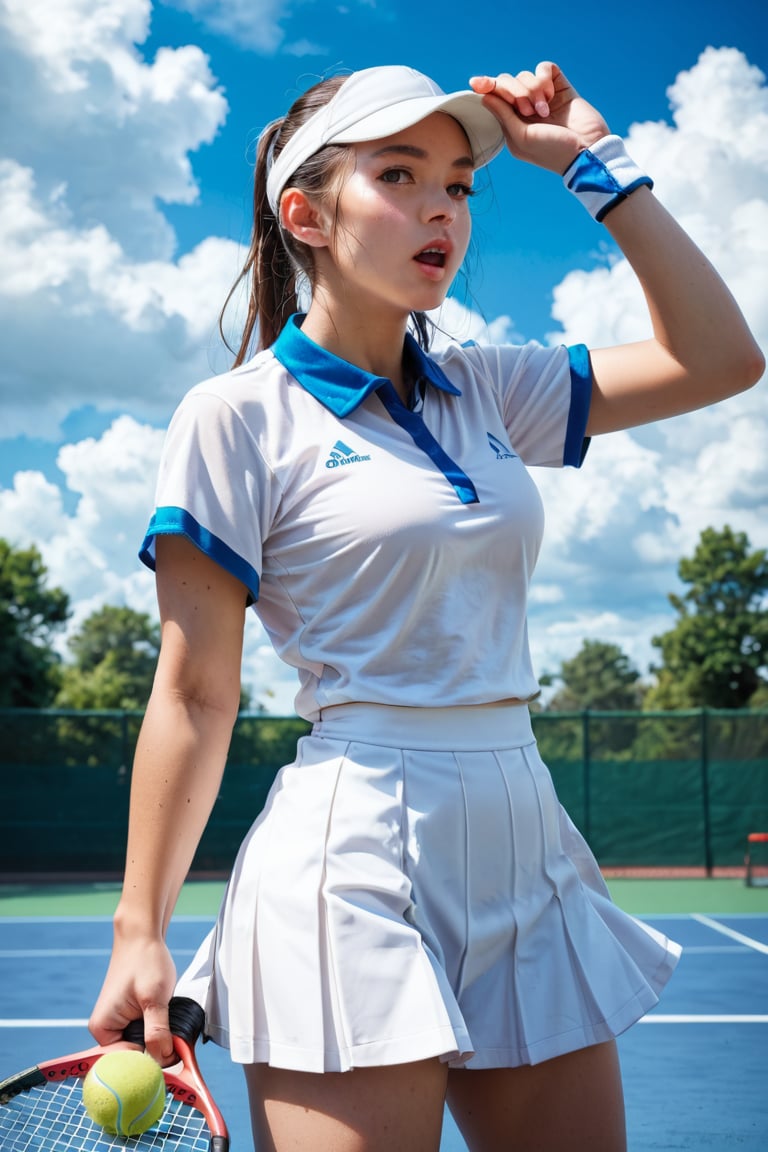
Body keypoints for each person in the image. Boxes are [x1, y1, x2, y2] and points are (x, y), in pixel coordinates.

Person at [89, 62, 763, 1152]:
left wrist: (594, 161)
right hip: (348, 852)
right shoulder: (236, 417)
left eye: (457, 184)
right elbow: (198, 692)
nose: (441, 207)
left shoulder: (491, 386)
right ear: (304, 214)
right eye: (399, 175)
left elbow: (722, 359)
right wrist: (140, 930)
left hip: (524, 831)